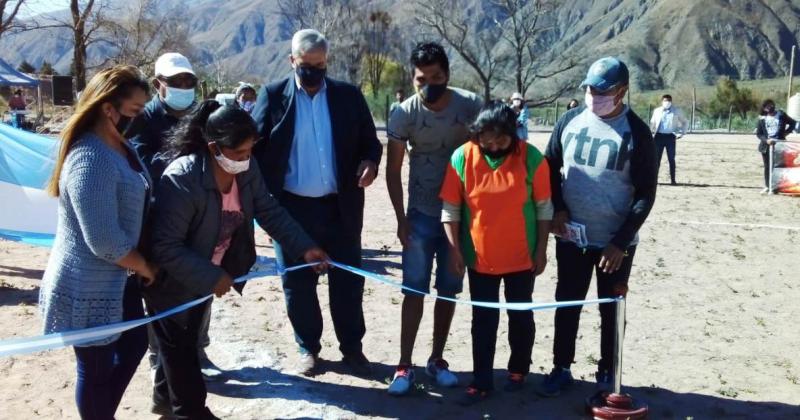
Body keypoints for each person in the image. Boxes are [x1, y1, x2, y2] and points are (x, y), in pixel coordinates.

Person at [145, 100, 329, 419]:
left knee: (181, 344)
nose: (245, 160)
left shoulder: (246, 169)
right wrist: (210, 276)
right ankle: (191, 412)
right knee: (181, 347)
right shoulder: (182, 178)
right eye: (239, 153)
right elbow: (165, 247)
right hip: (171, 282)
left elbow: (269, 210)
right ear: (214, 147)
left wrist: (305, 247)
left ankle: (165, 401)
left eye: (250, 151)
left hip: (205, 275)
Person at [252, 28, 382, 376]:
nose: (313, 72)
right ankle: (308, 349)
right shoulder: (273, 95)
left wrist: (370, 163)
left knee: (349, 283)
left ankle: (352, 349)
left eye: (320, 65)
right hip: (292, 210)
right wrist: (262, 205)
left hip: (341, 208)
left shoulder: (348, 96)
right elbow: (254, 150)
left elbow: (371, 144)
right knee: (298, 285)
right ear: (292, 60)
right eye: (307, 65)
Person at [39, 65, 157, 420]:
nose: (140, 119)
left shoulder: (120, 147)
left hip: (120, 280)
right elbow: (104, 240)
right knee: (95, 368)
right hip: (87, 286)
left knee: (134, 344)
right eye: (135, 111)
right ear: (109, 109)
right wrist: (145, 265)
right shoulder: (90, 159)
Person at [538, 57, 657, 397]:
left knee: (611, 309)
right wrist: (558, 209)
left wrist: (619, 242)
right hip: (572, 237)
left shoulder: (637, 132)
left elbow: (646, 194)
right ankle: (561, 367)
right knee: (567, 303)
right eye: (590, 89)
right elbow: (549, 167)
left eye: (602, 91)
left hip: (615, 245)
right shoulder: (569, 121)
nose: (594, 95)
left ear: (622, 91)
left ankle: (608, 372)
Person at [385, 41, 483, 395]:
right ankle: (404, 365)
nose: (429, 84)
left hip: (460, 217)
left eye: (437, 77)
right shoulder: (403, 113)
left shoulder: (470, 105)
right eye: (420, 78)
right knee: (413, 289)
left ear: (448, 75)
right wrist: (400, 218)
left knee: (449, 290)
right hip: (421, 215)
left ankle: (437, 358)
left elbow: (486, 157)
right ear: (412, 79)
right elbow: (392, 170)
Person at [439, 101, 553, 405]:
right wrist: (454, 249)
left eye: (500, 140)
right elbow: (450, 208)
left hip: (521, 257)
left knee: (520, 315)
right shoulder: (462, 156)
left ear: (512, 135)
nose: (492, 146)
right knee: (483, 320)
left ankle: (518, 370)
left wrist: (541, 249)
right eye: (485, 140)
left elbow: (544, 208)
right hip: (480, 258)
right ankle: (482, 380)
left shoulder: (531, 158)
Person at [128, 52, 198, 183]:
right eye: (175, 81)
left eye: (189, 81)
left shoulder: (200, 116)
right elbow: (141, 162)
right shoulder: (142, 117)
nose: (183, 87)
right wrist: (183, 157)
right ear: (156, 84)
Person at [756, 99, 797, 194]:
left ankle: (778, 186)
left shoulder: (781, 115)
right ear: (764, 109)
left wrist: (786, 132)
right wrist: (766, 140)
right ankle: (768, 186)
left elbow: (793, 123)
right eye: (766, 106)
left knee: (778, 167)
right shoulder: (762, 118)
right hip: (766, 147)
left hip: (780, 145)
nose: (769, 107)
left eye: (770, 105)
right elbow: (759, 134)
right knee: (767, 167)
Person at [649, 94, 688, 185]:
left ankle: (673, 180)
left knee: (671, 159)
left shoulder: (677, 111)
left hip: (670, 137)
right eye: (665, 101)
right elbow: (652, 123)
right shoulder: (657, 111)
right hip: (658, 137)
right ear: (662, 101)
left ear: (671, 102)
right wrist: (650, 134)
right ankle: (654, 180)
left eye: (669, 101)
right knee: (656, 160)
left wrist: (681, 133)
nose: (667, 102)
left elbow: (685, 122)